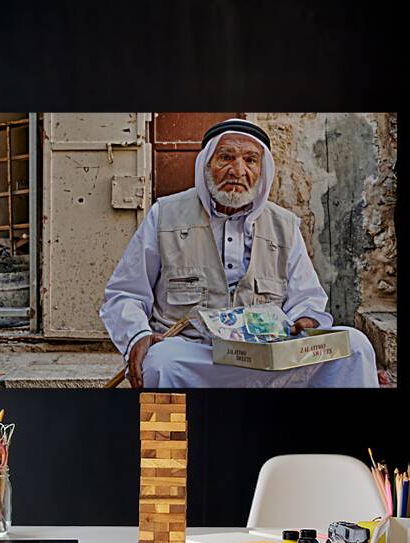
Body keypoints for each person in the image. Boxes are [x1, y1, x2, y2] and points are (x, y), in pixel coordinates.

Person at [99, 118, 378, 388]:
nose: (237, 170)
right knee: (161, 361)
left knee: (354, 345)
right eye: (226, 158)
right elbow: (126, 293)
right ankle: (170, 437)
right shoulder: (166, 215)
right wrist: (138, 335)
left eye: (250, 160)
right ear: (206, 165)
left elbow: (306, 299)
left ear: (262, 170)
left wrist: (305, 319)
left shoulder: (284, 225)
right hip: (196, 355)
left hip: (267, 357)